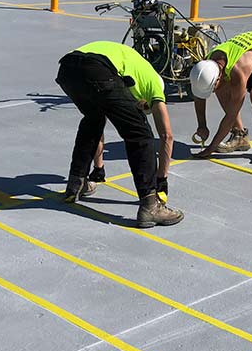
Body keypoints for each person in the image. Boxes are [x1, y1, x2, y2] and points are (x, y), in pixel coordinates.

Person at [56, 41, 183, 227]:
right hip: (96, 68)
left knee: (93, 119)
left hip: (68, 68)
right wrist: (161, 182)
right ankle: (150, 206)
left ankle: (76, 184)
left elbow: (105, 112)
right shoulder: (155, 85)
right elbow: (166, 136)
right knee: (140, 134)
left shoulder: (132, 74)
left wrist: (98, 169)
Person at [189, 30, 252, 165]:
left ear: (219, 77)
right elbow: (199, 96)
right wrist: (202, 126)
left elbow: (231, 114)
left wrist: (211, 148)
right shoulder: (206, 66)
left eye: (212, 87)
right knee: (221, 90)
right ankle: (239, 136)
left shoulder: (238, 70)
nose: (212, 91)